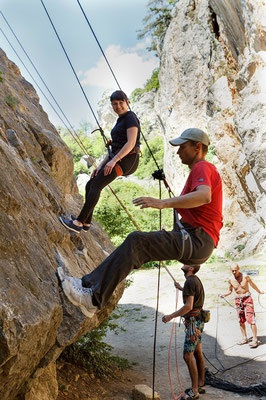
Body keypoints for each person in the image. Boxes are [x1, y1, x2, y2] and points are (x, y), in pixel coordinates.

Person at [57, 127, 223, 318]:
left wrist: (161, 203)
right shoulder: (202, 170)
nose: (178, 152)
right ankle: (86, 286)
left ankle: (93, 298)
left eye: (182, 147)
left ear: (198, 147)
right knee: (137, 245)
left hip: (197, 240)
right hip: (197, 242)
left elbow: (204, 196)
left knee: (137, 242)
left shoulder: (203, 167)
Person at [59, 90, 141, 233]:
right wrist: (100, 166)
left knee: (96, 185)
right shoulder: (120, 120)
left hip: (127, 159)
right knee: (90, 184)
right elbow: (114, 148)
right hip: (117, 158)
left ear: (127, 102)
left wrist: (114, 161)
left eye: (121, 103)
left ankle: (78, 223)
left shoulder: (130, 117)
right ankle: (86, 222)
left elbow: (131, 143)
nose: (118, 106)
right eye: (114, 104)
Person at [162, 265, 206, 400]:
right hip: (198, 321)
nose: (183, 262)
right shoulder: (194, 280)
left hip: (193, 323)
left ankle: (194, 391)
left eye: (187, 262)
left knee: (188, 356)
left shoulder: (190, 281)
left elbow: (188, 306)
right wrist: (182, 289)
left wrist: (170, 316)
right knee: (198, 352)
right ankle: (200, 384)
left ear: (191, 268)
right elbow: (193, 295)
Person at [220, 262, 264, 348]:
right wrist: (224, 294)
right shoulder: (230, 279)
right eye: (232, 271)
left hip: (247, 298)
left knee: (251, 319)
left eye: (235, 270)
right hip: (238, 300)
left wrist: (259, 292)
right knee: (241, 320)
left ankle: (255, 340)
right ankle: (244, 338)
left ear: (238, 269)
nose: (234, 272)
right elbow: (230, 290)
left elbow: (252, 285)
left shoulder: (245, 276)